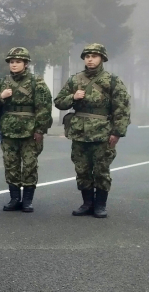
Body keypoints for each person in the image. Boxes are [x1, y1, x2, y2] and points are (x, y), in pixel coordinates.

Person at [54, 43, 130, 218]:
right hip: (80, 133)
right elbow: (58, 101)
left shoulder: (112, 81)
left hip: (102, 133)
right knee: (82, 169)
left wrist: (117, 132)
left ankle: (100, 205)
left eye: (94, 56)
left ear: (102, 58)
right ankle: (87, 203)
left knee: (101, 170)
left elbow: (122, 108)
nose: (90, 59)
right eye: (87, 56)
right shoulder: (75, 80)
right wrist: (73, 97)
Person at [0, 47, 53, 213]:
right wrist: (1, 96)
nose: (14, 65)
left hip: (29, 132)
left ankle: (27, 200)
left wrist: (39, 130)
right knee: (11, 165)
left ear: (26, 63)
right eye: (12, 62)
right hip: (8, 131)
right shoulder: (2, 82)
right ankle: (14, 198)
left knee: (29, 165)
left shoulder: (37, 82)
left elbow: (44, 107)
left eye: (18, 62)